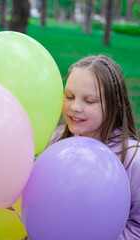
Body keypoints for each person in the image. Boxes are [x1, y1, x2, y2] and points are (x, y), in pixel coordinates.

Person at [48, 55, 140, 239]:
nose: (75, 107)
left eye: (89, 101)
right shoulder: (56, 142)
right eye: (69, 96)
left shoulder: (133, 158)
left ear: (114, 105)